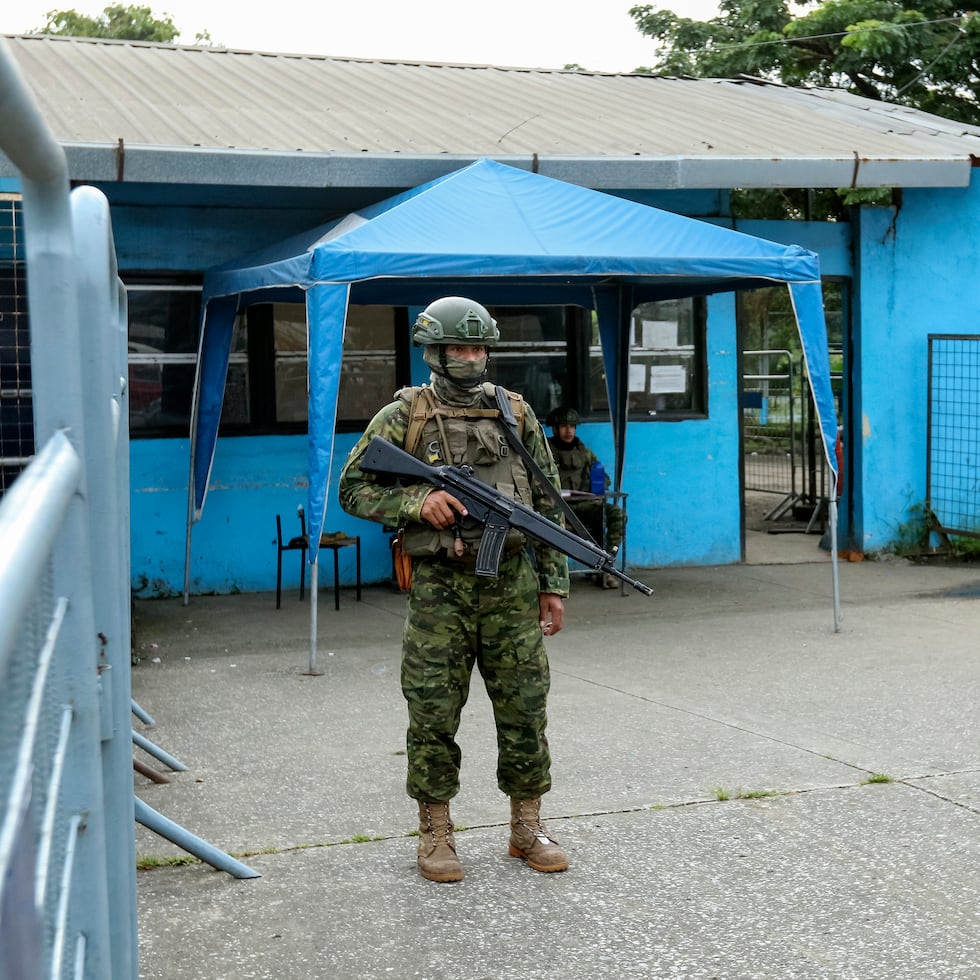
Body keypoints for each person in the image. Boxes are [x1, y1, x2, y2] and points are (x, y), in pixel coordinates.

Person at [338, 296, 570, 883]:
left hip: (512, 586)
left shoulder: (516, 414)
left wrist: (554, 584)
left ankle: (526, 828)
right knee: (433, 710)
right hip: (441, 591)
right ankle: (436, 832)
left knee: (525, 709)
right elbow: (352, 490)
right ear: (435, 353)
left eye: (480, 347)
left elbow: (548, 503)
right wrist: (418, 502)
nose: (473, 358)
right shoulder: (403, 417)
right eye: (461, 348)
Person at [545, 407, 627, 590]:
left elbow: (604, 478)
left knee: (617, 514)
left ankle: (606, 565)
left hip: (585, 506)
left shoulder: (585, 452)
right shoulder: (545, 451)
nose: (569, 431)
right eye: (564, 426)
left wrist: (596, 488)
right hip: (557, 509)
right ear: (555, 429)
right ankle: (550, 579)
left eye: (572, 426)